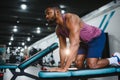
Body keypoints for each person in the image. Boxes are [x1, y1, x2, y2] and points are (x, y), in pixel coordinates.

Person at [45, 6, 120, 72]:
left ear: (57, 12)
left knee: (92, 65)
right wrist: (61, 67)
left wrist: (65, 68)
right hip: (83, 42)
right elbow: (62, 48)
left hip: (96, 37)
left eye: (48, 13)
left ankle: (115, 59)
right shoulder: (58, 29)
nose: (46, 16)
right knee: (78, 63)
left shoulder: (70, 18)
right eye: (46, 14)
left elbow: (74, 45)